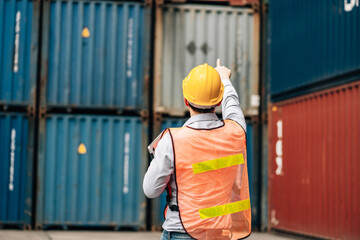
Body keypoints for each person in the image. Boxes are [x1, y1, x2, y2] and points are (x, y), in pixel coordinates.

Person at [143, 59, 251, 240]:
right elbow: (233, 106)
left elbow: (150, 190)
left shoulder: (171, 140)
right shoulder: (236, 132)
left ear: (186, 100)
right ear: (218, 101)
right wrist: (224, 78)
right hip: (221, 234)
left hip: (180, 232)